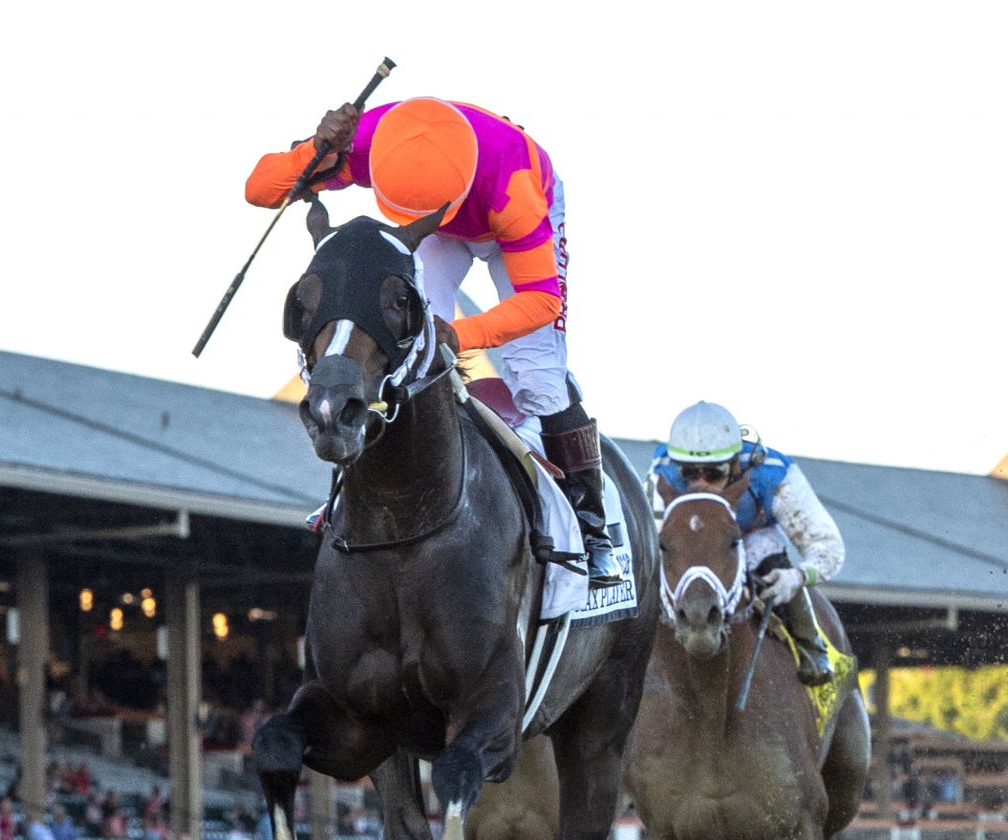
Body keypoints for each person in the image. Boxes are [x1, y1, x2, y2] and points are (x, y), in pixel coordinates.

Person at [247, 97, 622, 587]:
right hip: (427, 217)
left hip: (505, 216)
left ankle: (594, 529)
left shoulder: (516, 192)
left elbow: (542, 302)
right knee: (402, 349)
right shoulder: (365, 144)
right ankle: (358, 484)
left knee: (538, 377)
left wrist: (462, 334)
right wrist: (312, 152)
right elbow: (259, 191)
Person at [650, 402, 845, 685]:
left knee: (768, 550)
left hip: (753, 538)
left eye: (714, 473)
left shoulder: (774, 474)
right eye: (690, 473)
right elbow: (653, 544)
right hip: (692, 546)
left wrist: (796, 576)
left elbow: (828, 546)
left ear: (734, 463)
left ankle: (810, 645)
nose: (701, 483)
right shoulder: (662, 470)